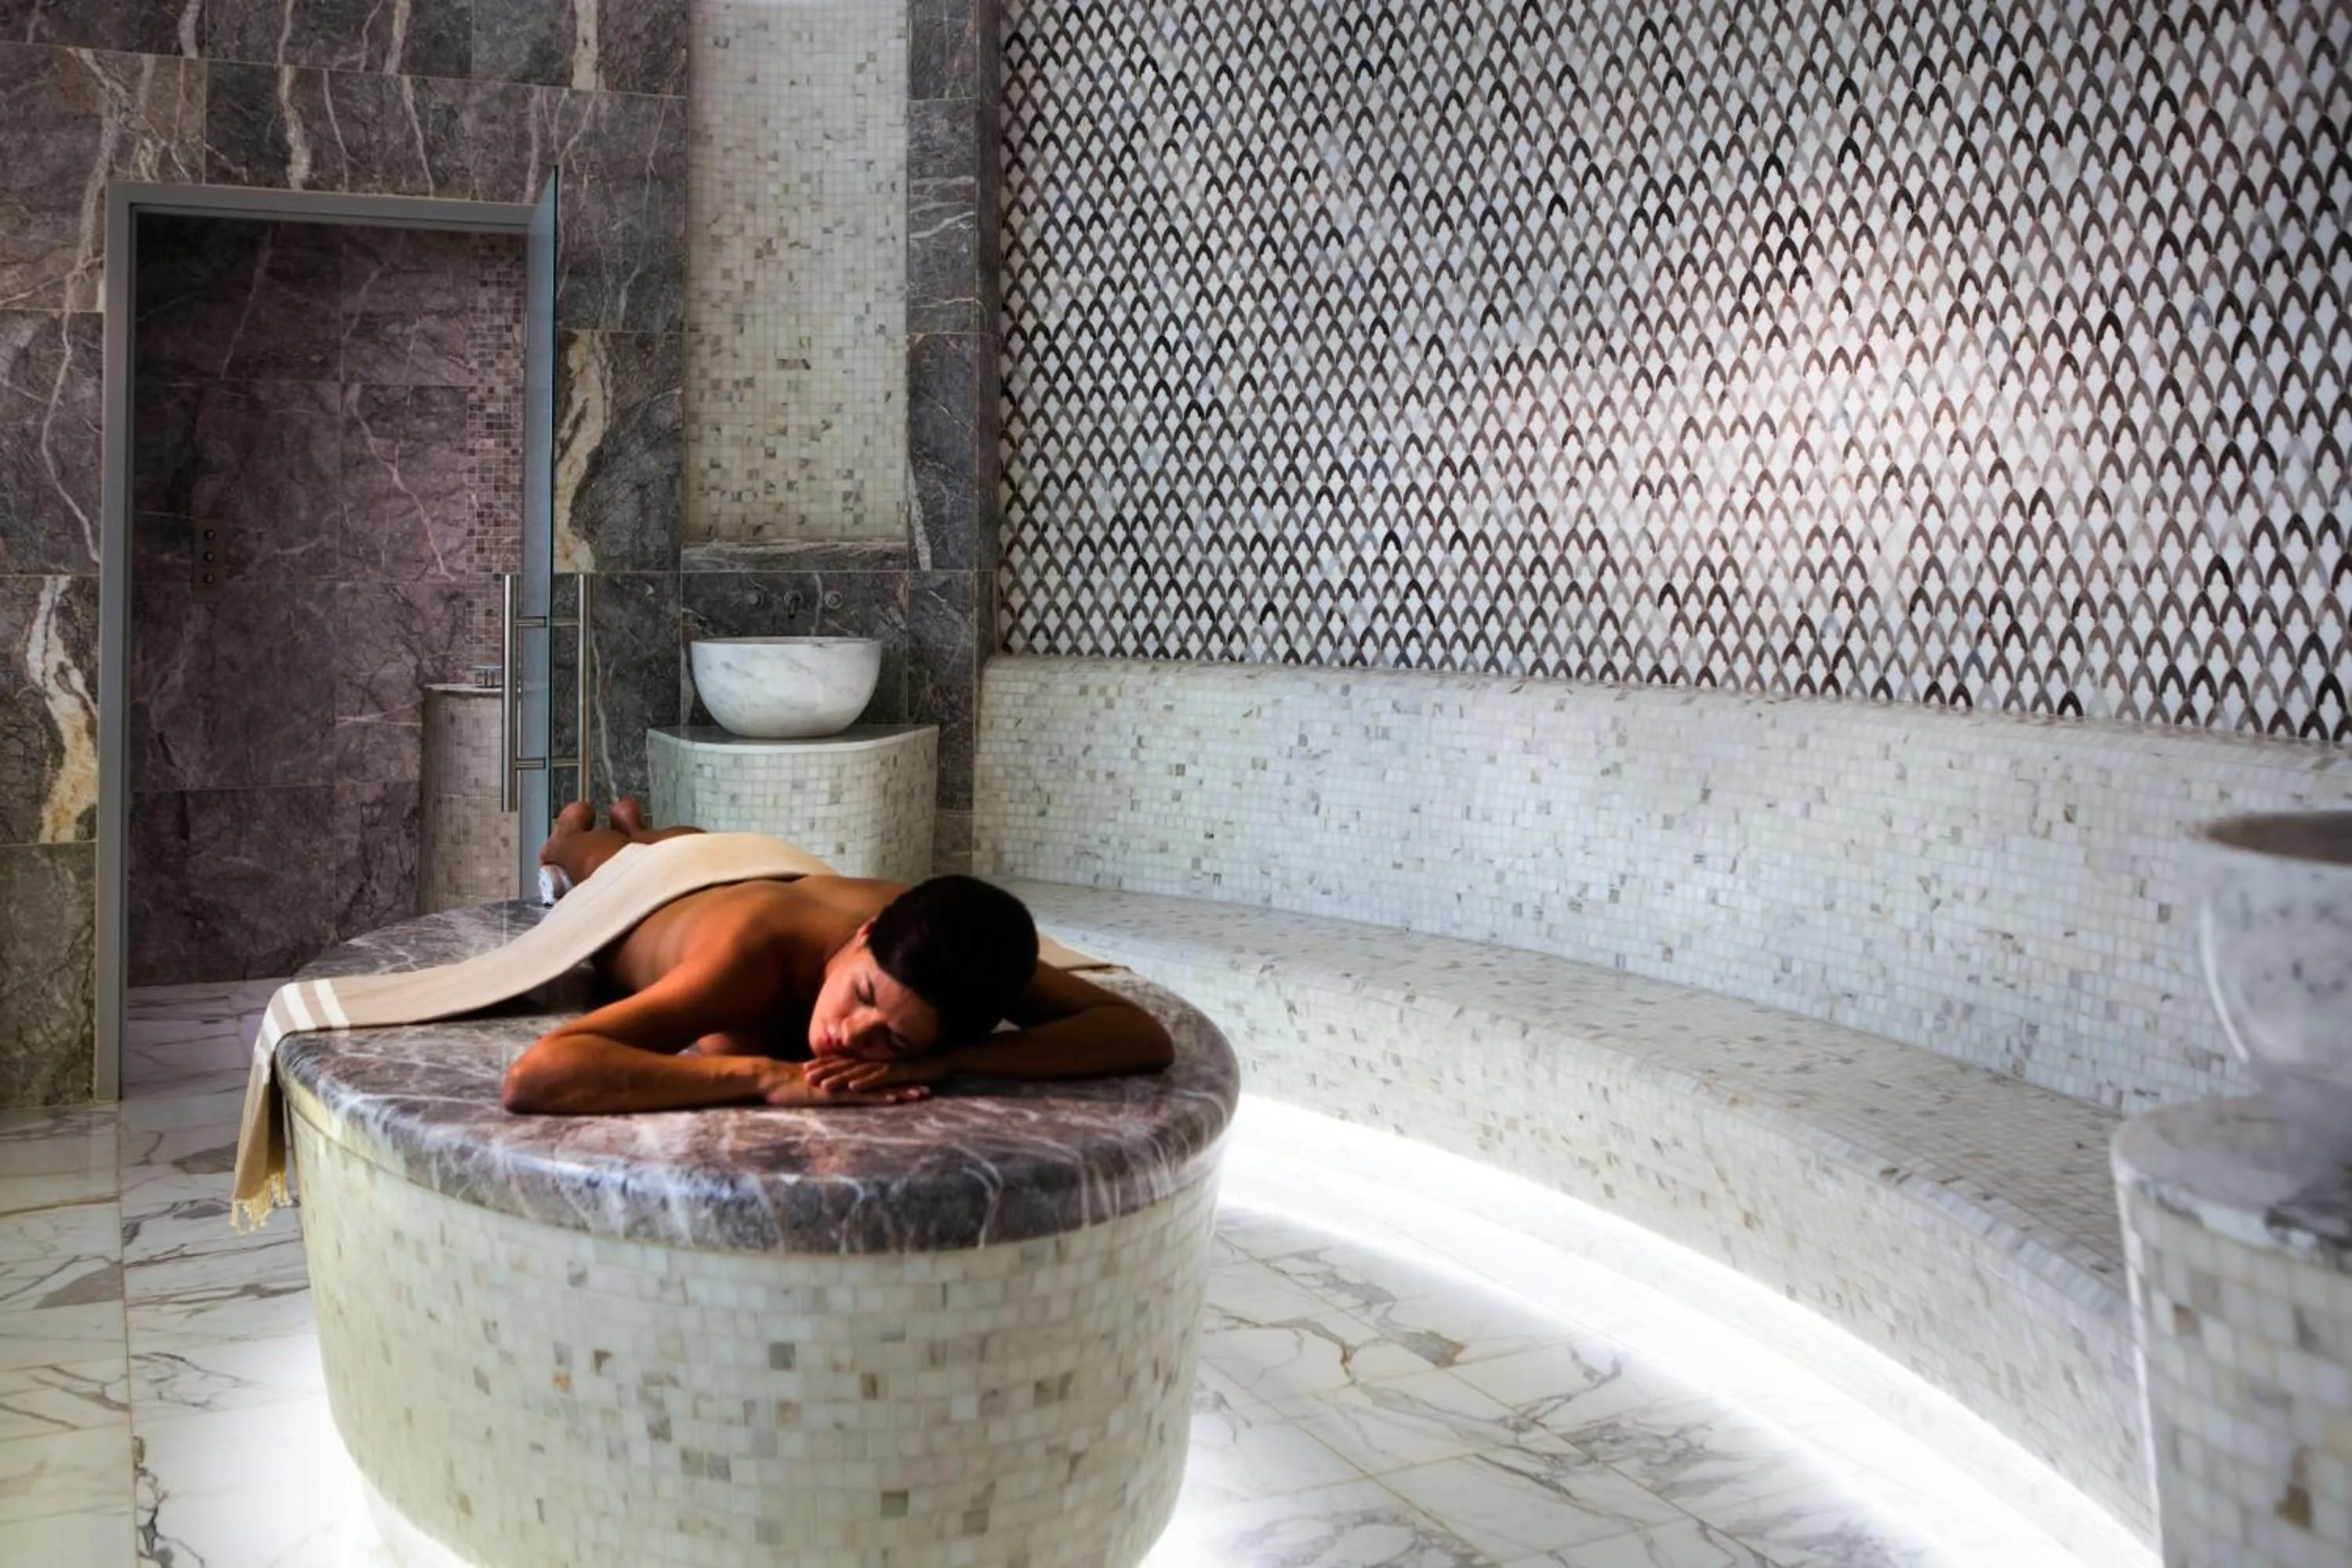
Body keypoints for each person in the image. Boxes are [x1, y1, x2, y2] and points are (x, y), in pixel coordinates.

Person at [499, 800, 1174, 1115]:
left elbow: (1139, 1035)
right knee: (602, 862)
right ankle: (583, 833)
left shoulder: (950, 942)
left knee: (690, 840)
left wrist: (955, 1061)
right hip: (661, 895)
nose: (850, 1033)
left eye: (895, 1040)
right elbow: (538, 1076)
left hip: (762, 869)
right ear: (865, 933)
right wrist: (763, 1076)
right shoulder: (745, 963)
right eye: (864, 995)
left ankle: (641, 821)